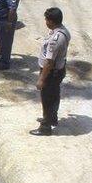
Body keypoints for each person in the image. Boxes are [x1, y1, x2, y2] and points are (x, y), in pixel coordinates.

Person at [31, 7, 71, 136]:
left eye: (47, 20)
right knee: (54, 95)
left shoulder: (56, 39)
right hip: (58, 69)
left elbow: (49, 62)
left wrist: (41, 79)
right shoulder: (63, 31)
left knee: (47, 98)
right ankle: (51, 118)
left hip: (51, 72)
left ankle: (45, 127)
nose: (45, 22)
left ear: (52, 21)